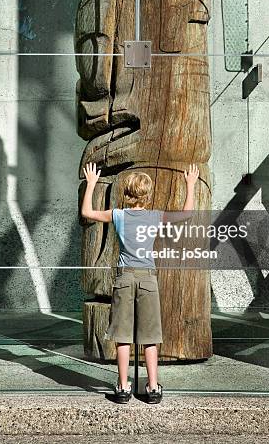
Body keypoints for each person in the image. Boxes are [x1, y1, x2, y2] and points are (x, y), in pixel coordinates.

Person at [81, 162, 200, 404]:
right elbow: (187, 214)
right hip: (147, 277)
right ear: (148, 195)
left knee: (123, 335)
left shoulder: (118, 215)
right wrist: (190, 185)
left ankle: (123, 386)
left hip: (125, 276)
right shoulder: (155, 216)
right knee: (149, 335)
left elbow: (88, 213)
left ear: (126, 193)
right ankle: (153, 386)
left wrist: (91, 184)